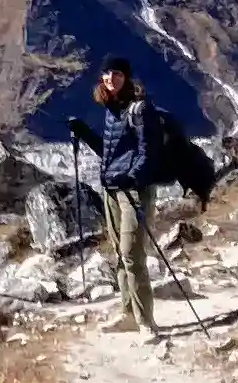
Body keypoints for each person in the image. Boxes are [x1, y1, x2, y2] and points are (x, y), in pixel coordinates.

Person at [70, 55, 176, 336]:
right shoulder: (112, 108)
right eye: (106, 73)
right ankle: (128, 313)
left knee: (132, 254)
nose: (109, 78)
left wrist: (133, 176)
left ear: (126, 77)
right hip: (112, 191)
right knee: (120, 254)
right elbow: (110, 154)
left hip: (134, 191)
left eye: (116, 73)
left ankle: (146, 322)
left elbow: (148, 152)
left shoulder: (140, 110)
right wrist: (83, 133)